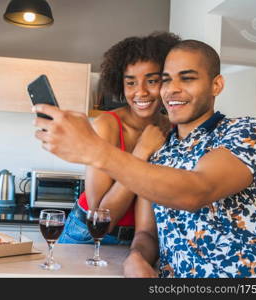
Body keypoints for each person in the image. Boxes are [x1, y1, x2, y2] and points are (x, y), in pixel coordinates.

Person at [32, 39, 256, 277]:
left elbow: (196, 191)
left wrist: (95, 150)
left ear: (216, 85)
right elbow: (147, 233)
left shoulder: (245, 131)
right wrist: (137, 255)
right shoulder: (161, 151)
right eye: (166, 80)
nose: (172, 89)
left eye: (187, 78)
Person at [58, 32, 180, 245]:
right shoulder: (107, 125)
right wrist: (141, 152)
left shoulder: (173, 128)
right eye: (131, 83)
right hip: (89, 235)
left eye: (152, 81)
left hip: (145, 241)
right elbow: (102, 217)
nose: (140, 92)